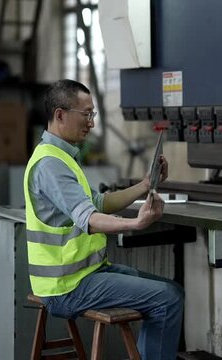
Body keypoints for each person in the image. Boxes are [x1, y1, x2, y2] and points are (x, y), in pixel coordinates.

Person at [23, 79, 183, 360]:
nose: (92, 123)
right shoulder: (50, 164)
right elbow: (91, 218)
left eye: (92, 114)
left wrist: (146, 184)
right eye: (86, 115)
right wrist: (135, 223)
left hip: (85, 275)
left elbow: (98, 203)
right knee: (166, 299)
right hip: (66, 287)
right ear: (60, 115)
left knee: (171, 290)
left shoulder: (62, 156)